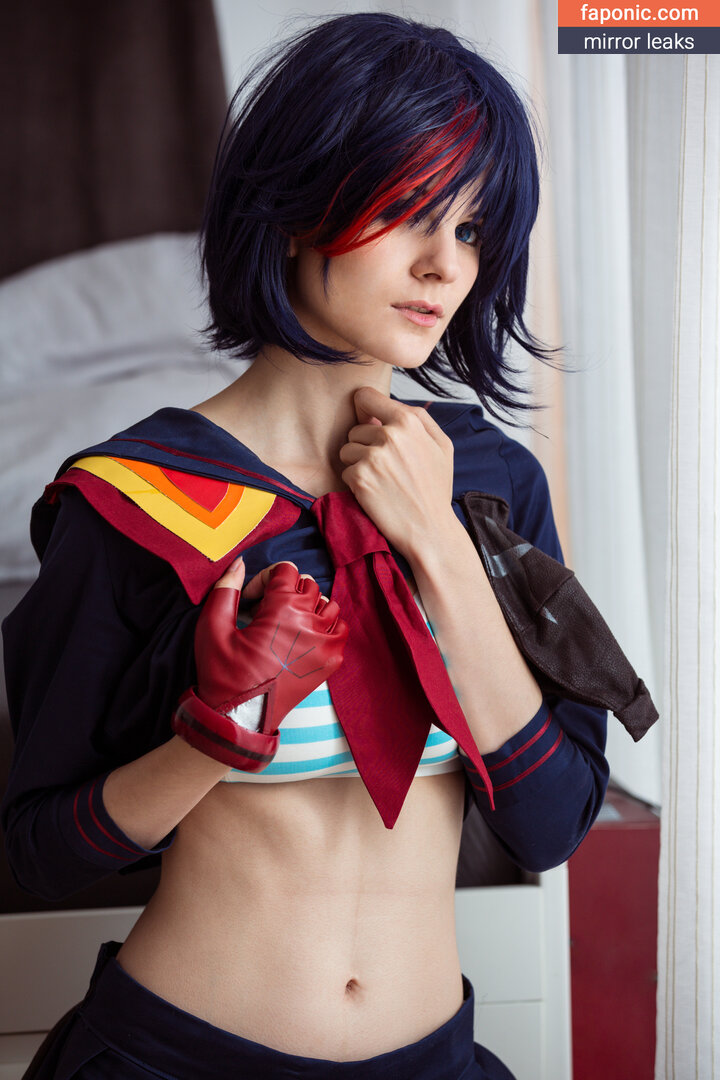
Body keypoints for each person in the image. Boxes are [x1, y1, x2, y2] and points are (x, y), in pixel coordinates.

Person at [2, 13, 615, 1079]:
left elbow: (552, 825)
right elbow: (39, 852)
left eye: (474, 229)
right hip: (173, 1059)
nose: (445, 265)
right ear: (294, 208)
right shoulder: (132, 499)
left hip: (431, 1057)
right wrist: (212, 737)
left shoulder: (491, 483)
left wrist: (436, 544)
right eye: (410, 212)